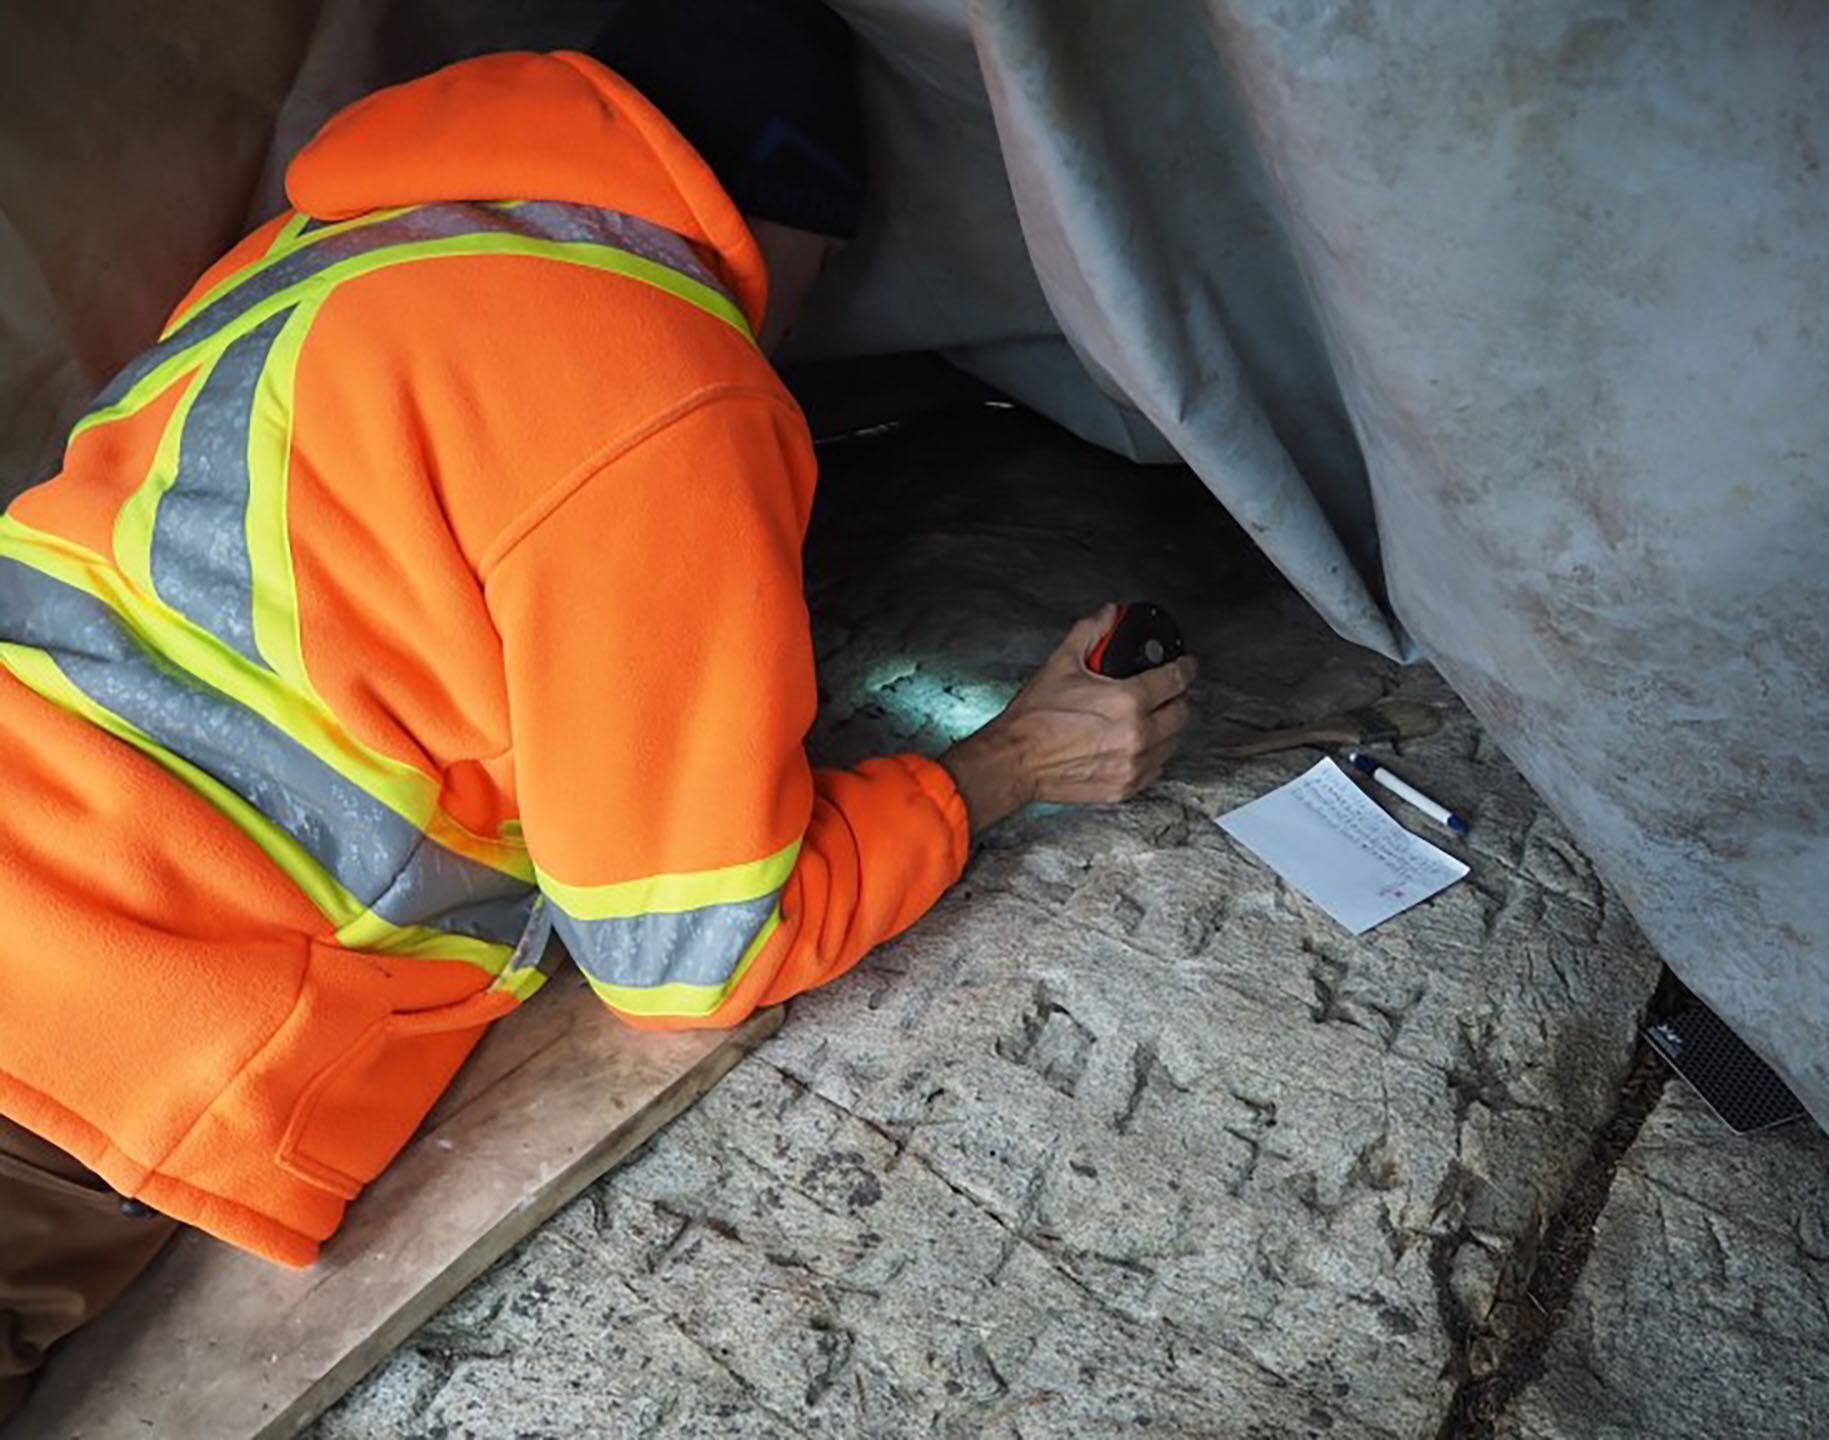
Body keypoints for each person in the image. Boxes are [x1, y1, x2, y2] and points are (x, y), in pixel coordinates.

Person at [0, 0, 1196, 1417]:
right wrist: (1012, 760)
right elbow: (691, 954)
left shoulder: (313, 258)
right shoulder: (662, 377)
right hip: (80, 1043)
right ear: (784, 220)